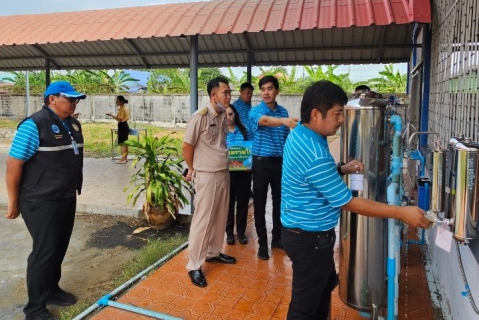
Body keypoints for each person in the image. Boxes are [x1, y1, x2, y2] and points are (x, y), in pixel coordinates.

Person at [281, 80, 432, 319]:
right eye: (337, 113)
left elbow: (311, 176)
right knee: (305, 306)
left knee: (322, 288)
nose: (342, 119)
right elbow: (348, 203)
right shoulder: (315, 153)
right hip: (309, 239)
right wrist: (401, 212)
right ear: (315, 114)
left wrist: (341, 168)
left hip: (300, 232)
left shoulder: (300, 134)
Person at [5, 80, 86, 320]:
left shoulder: (73, 124)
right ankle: (35, 309)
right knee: (44, 251)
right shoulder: (33, 125)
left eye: (76, 99)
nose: (74, 103)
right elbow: (13, 163)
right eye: (69, 98)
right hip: (40, 200)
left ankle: (51, 289)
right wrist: (13, 201)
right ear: (52, 99)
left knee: (58, 246)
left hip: (64, 196)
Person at [182, 76, 237, 288]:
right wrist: (193, 168)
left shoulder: (223, 115)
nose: (229, 95)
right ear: (214, 95)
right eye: (226, 92)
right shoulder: (200, 116)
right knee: (203, 221)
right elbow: (187, 146)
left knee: (220, 217)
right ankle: (194, 265)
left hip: (223, 173)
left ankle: (213, 252)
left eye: (230, 92)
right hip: (207, 175)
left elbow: (220, 143)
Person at [248, 75, 299, 260]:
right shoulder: (255, 111)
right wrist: (284, 122)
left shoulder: (284, 111)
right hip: (261, 163)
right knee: (260, 204)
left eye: (270, 89)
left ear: (277, 90)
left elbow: (286, 140)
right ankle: (262, 243)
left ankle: (277, 239)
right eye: (263, 89)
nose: (266, 93)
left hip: (279, 163)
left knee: (280, 202)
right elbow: (265, 121)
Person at [225, 104, 253, 245]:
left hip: (244, 173)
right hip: (227, 174)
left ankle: (241, 232)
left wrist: (250, 164)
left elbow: (251, 149)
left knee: (242, 203)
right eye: (225, 114)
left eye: (230, 114)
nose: (228, 117)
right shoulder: (221, 133)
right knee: (228, 204)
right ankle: (229, 232)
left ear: (235, 114)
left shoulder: (244, 131)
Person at [106, 95, 130, 164]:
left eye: (117, 101)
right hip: (125, 126)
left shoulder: (122, 109)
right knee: (125, 144)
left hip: (123, 126)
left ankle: (123, 159)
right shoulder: (124, 108)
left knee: (122, 144)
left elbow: (119, 119)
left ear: (121, 102)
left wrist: (111, 116)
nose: (116, 102)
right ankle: (125, 158)